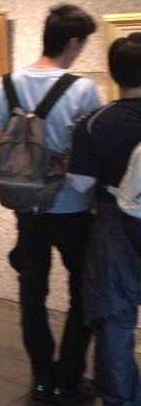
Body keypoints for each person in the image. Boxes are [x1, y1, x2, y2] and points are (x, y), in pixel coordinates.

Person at [0, 4, 101, 404]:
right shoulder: (83, 90)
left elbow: (0, 148)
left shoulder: (6, 84)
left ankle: (41, 378)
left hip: (28, 209)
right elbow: (89, 153)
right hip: (73, 209)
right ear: (73, 42)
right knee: (81, 292)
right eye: (83, 43)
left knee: (32, 295)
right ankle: (69, 377)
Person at [69, 32, 141, 405]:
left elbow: (81, 183)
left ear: (114, 73)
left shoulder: (94, 122)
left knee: (114, 321)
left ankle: (122, 398)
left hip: (115, 225)